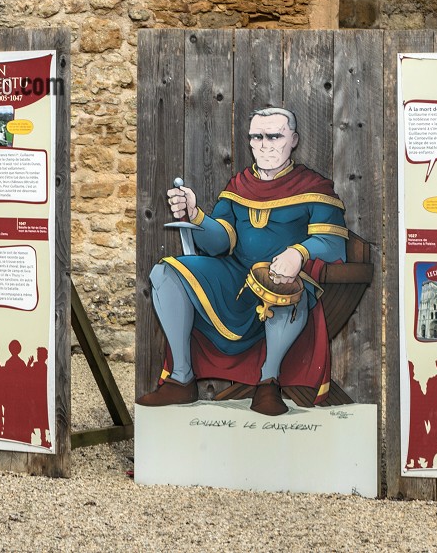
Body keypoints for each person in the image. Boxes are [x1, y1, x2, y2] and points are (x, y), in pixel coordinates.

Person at [138, 106, 348, 416]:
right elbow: (220, 242)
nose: (265, 144)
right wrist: (197, 215)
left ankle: (268, 384)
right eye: (257, 137)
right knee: (165, 273)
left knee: (285, 286)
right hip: (234, 276)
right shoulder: (239, 186)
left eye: (274, 136)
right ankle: (181, 380)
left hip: (284, 278)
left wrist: (298, 253)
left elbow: (333, 243)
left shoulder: (313, 188)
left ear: (293, 139)